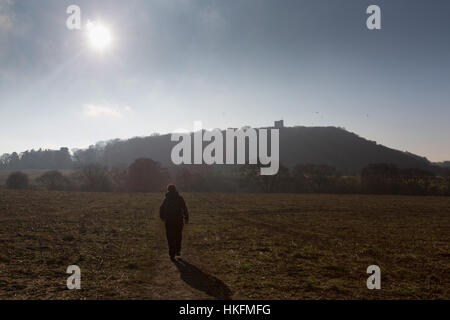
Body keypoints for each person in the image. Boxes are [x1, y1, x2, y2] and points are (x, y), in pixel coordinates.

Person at [159, 184, 189, 260]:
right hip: (178, 220)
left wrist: (162, 217)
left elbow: (161, 209)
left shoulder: (166, 199)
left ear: (168, 190)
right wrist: (186, 218)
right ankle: (178, 250)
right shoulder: (179, 198)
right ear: (175, 190)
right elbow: (184, 208)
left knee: (170, 237)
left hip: (169, 221)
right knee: (178, 235)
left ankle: (171, 253)